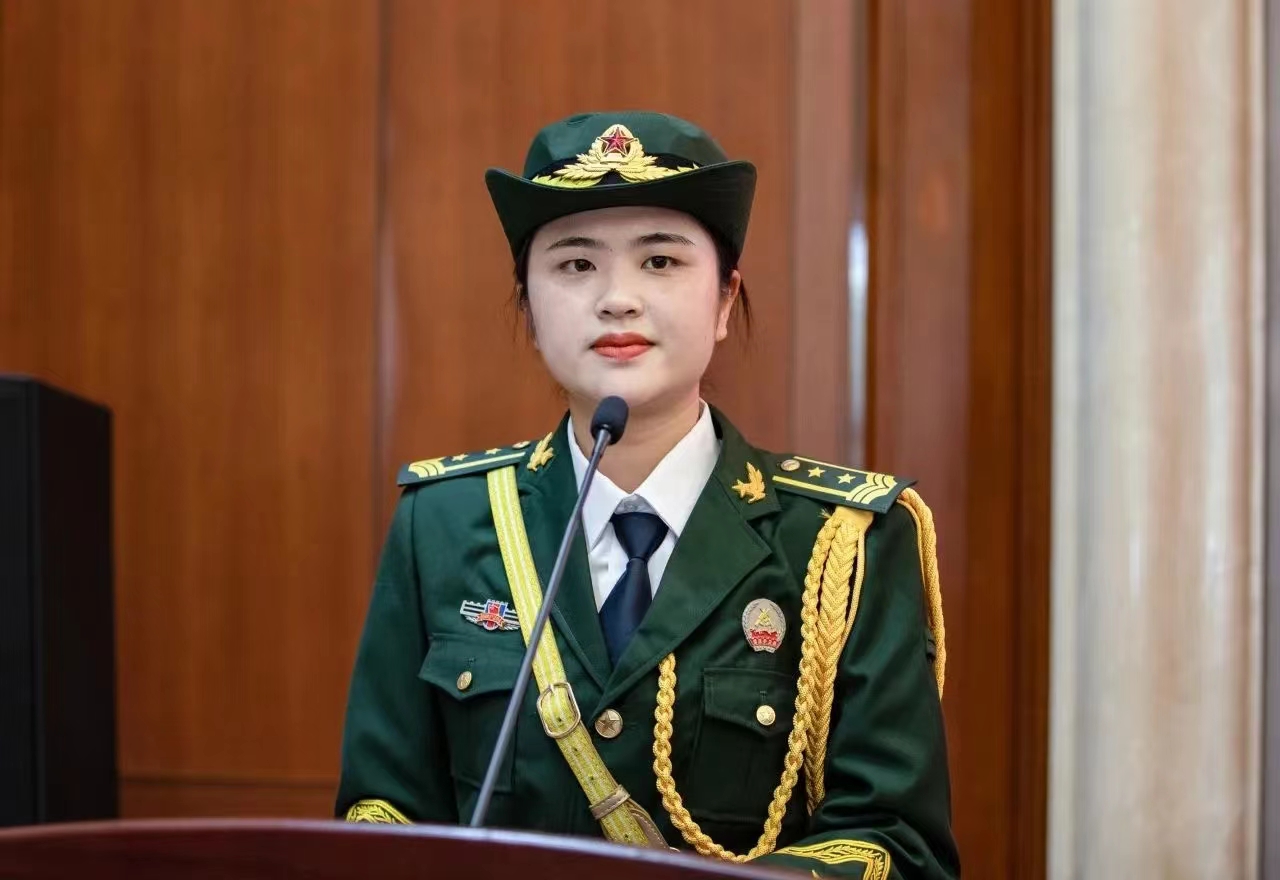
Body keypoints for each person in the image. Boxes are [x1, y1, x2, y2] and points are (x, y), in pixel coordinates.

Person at [335, 110, 960, 879]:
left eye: (660, 261)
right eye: (575, 264)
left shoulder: (843, 545)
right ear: (528, 309)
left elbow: (894, 843)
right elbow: (382, 814)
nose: (618, 299)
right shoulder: (445, 523)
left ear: (725, 300)